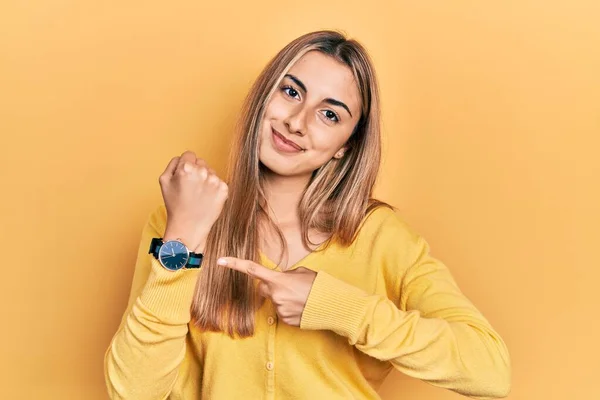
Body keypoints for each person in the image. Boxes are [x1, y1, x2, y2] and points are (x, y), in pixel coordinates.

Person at [104, 30, 511, 399]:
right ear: (264, 95)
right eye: (291, 92)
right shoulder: (179, 220)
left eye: (329, 114)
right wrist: (184, 240)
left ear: (344, 146)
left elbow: (489, 370)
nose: (297, 122)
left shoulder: (381, 238)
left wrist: (336, 306)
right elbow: (133, 391)